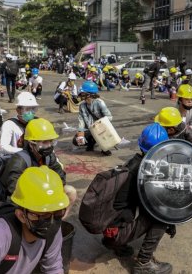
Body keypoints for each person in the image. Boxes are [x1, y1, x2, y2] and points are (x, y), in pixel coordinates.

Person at [0, 166, 69, 273]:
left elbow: (53, 268)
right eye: (42, 215)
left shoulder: (52, 231)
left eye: (58, 213)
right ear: (21, 215)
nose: (51, 221)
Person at [101, 123, 173, 274]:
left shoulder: (133, 162)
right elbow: (153, 206)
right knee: (162, 216)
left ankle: (116, 244)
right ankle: (143, 263)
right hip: (114, 231)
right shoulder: (143, 173)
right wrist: (172, 220)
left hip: (109, 228)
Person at [0, 118, 77, 217]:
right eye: (44, 142)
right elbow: (14, 189)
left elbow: (60, 177)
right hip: (26, 197)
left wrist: (52, 192)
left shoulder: (49, 156)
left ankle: (58, 221)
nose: (48, 145)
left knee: (71, 192)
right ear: (32, 143)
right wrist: (40, 195)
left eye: (50, 141)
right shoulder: (19, 161)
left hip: (44, 191)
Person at [73, 81, 114, 156]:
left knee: (100, 135)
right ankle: (91, 143)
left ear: (88, 94)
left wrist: (98, 124)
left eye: (82, 94)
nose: (81, 96)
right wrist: (80, 133)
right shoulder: (82, 106)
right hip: (89, 129)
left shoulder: (99, 103)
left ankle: (104, 147)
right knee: (76, 141)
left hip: (101, 128)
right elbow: (81, 120)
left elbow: (109, 117)